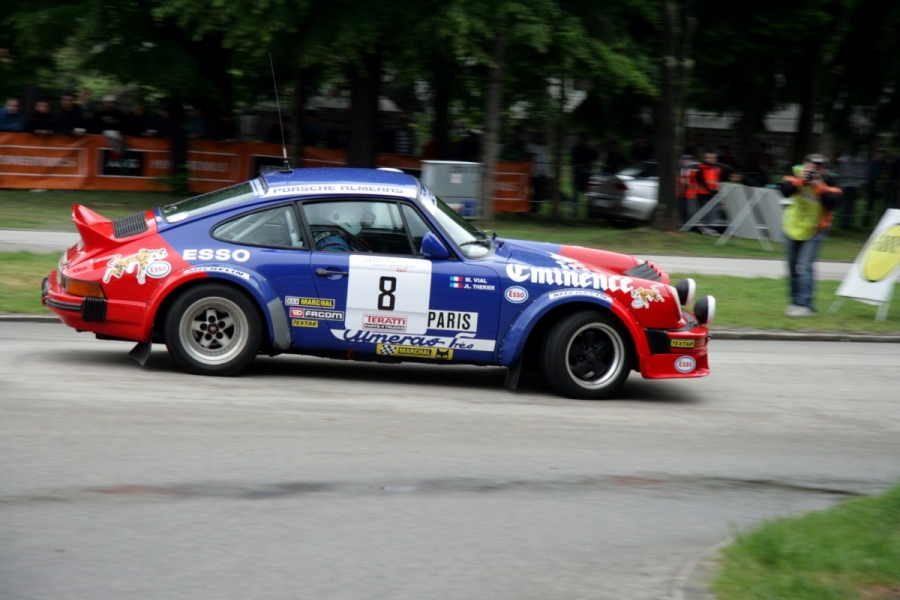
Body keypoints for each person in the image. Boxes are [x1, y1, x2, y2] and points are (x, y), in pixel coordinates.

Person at [779, 154, 842, 317]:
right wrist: (800, 181)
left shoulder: (830, 180)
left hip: (816, 228)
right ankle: (794, 302)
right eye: (811, 165)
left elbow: (833, 203)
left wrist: (817, 186)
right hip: (792, 226)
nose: (814, 169)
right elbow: (784, 191)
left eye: (819, 167)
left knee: (805, 265)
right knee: (791, 266)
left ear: (824, 169)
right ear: (805, 164)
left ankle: (805, 304)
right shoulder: (795, 173)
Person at [694, 151, 723, 235]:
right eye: (708, 158)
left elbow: (717, 181)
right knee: (707, 211)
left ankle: (709, 227)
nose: (711, 159)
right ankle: (707, 227)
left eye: (713, 158)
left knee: (713, 211)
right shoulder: (700, 168)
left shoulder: (717, 168)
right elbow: (701, 180)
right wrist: (711, 190)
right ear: (704, 158)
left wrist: (716, 191)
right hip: (703, 193)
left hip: (713, 193)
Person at [570, 133, 598, 204]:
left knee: (588, 187)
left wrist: (591, 162)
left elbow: (595, 155)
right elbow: (575, 156)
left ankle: (589, 203)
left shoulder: (589, 148)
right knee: (577, 187)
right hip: (578, 169)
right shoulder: (577, 147)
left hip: (586, 170)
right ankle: (575, 204)